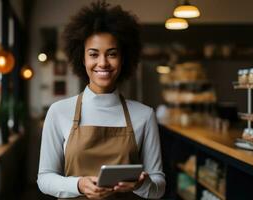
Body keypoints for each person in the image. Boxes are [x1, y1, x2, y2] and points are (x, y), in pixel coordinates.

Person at [37, 1, 165, 199]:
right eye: (93, 54)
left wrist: (141, 184)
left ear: (123, 58)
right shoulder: (59, 111)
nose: (103, 63)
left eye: (112, 54)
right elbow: (44, 179)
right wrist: (78, 185)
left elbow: (159, 186)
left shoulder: (144, 115)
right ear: (82, 58)